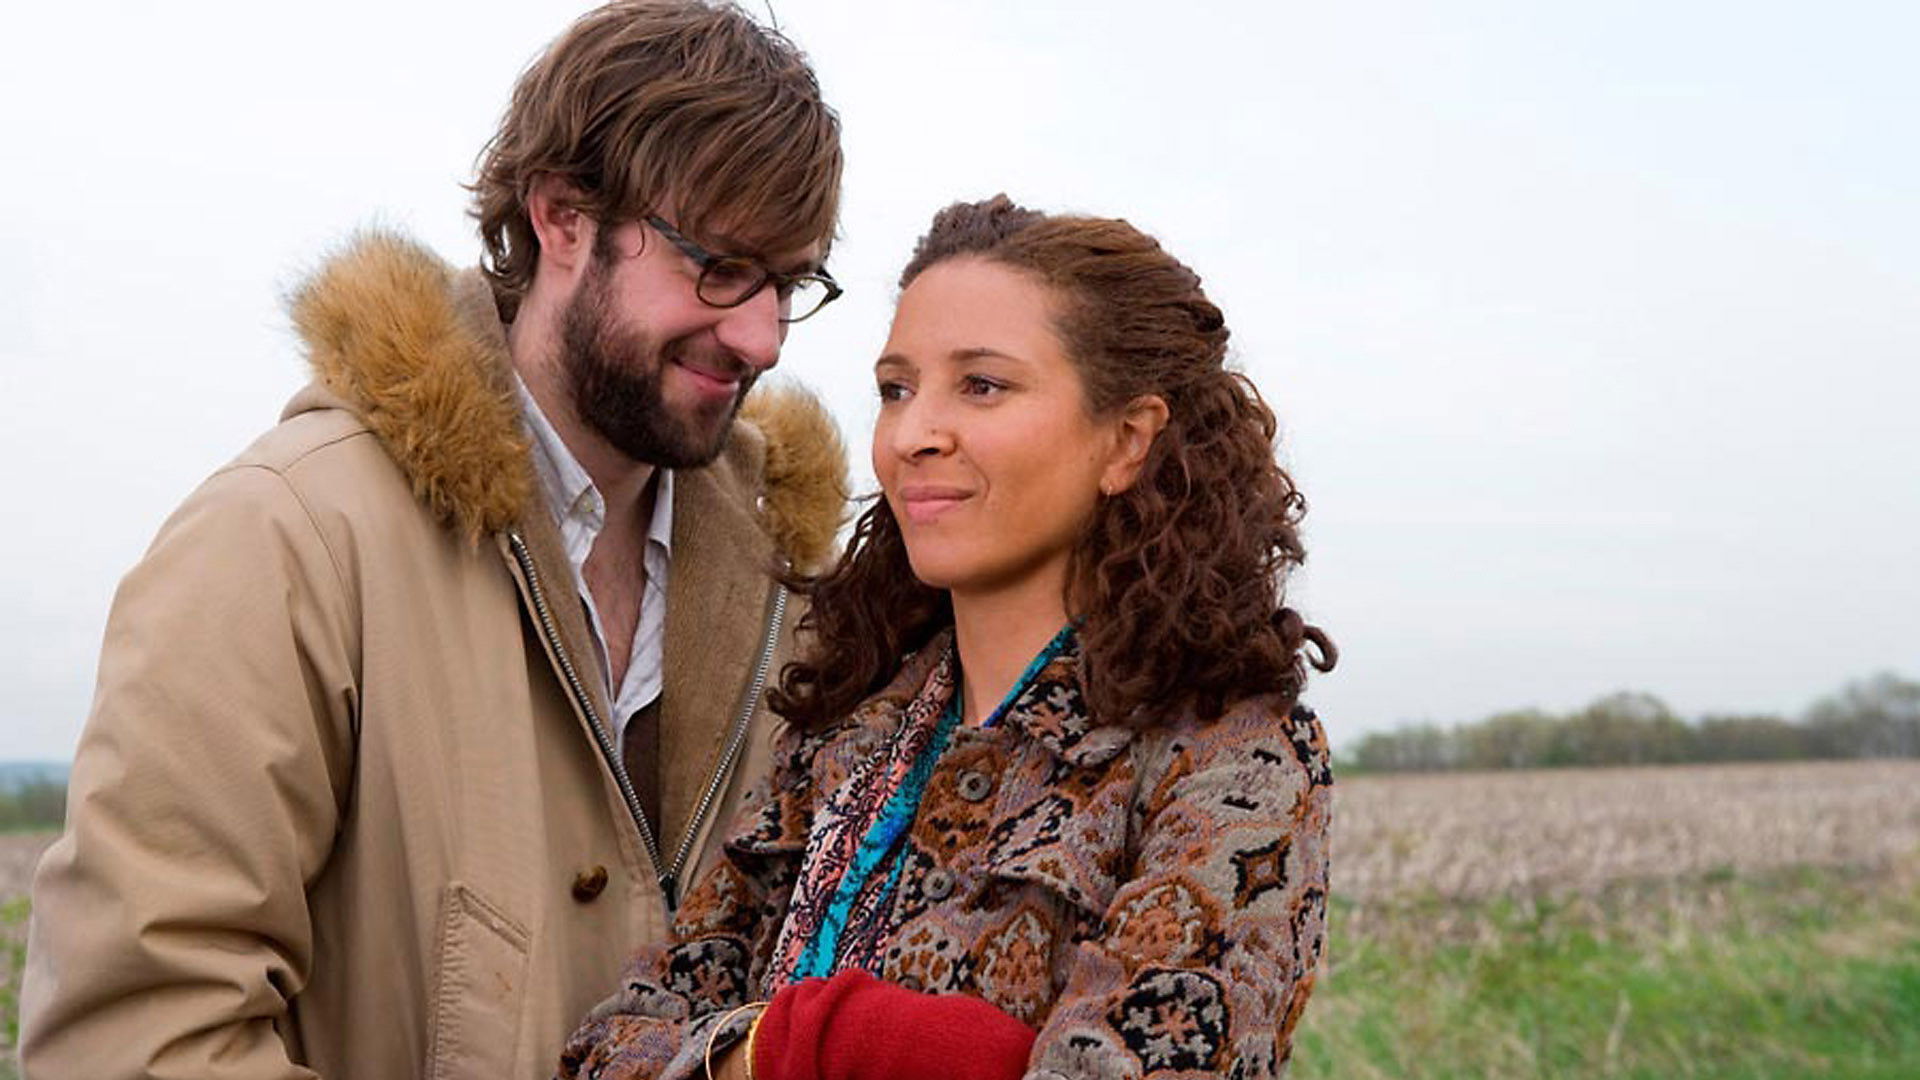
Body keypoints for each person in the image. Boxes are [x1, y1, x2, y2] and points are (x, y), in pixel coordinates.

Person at [20, 3, 847, 1077]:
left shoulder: (796, 592)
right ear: (562, 216)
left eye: (789, 284)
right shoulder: (286, 538)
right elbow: (132, 1035)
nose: (762, 337)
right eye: (721, 266)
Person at [558, 195, 1339, 1080]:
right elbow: (605, 1053)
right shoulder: (846, 735)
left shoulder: (1230, 758)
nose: (913, 435)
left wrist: (740, 1054)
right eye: (897, 389)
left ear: (1127, 441)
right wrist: (810, 1044)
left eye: (982, 386)